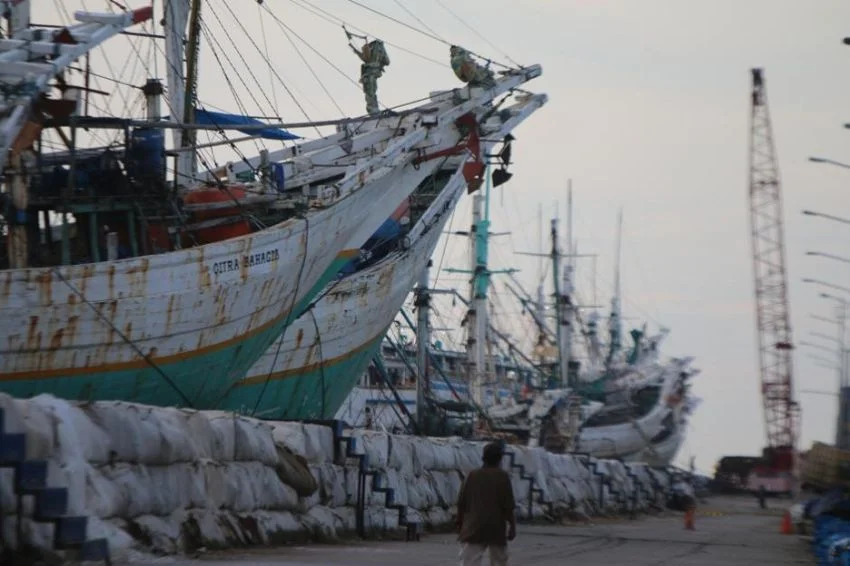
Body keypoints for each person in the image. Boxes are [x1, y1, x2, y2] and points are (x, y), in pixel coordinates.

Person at [456, 441, 516, 566]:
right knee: (499, 561)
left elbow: (462, 502)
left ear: (483, 458)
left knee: (469, 562)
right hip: (496, 527)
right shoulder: (503, 477)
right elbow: (508, 505)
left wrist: (460, 524)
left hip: (473, 527)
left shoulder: (472, 475)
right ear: (500, 459)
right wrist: (512, 527)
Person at [347, 31, 390, 116]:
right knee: (372, 91)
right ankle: (374, 109)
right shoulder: (380, 48)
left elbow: (386, 61)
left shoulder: (372, 49)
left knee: (370, 92)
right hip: (374, 73)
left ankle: (373, 110)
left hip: (370, 73)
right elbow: (387, 62)